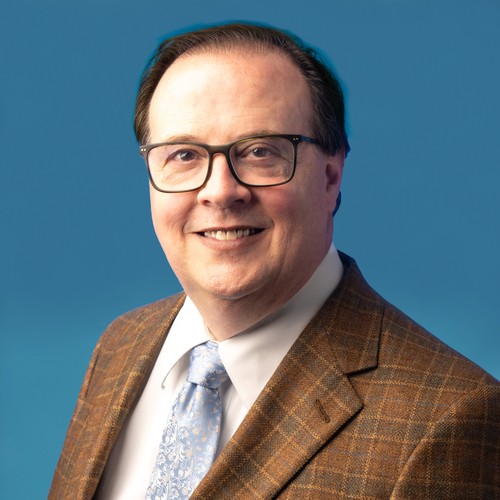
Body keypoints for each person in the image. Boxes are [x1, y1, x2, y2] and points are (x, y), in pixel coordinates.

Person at [50, 23, 499, 499]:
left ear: (330, 176)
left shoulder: (449, 420)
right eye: (183, 154)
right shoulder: (120, 347)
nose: (220, 191)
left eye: (260, 152)